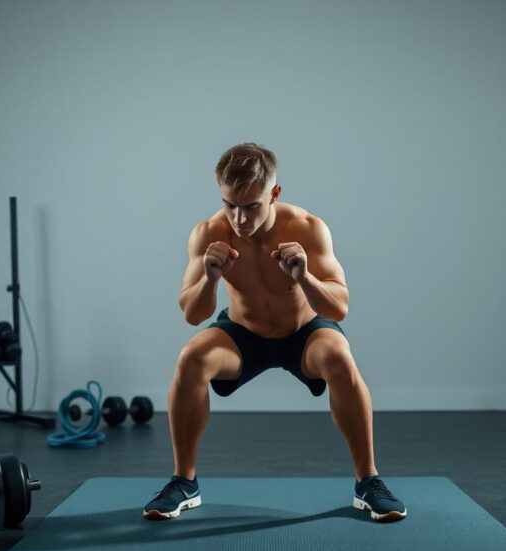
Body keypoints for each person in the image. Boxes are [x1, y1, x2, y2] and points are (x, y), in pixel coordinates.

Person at [143, 143, 406, 522]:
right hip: (242, 335)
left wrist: (305, 277)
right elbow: (192, 313)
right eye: (230, 205)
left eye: (251, 206)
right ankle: (185, 482)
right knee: (191, 357)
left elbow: (339, 307)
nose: (239, 218)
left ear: (274, 194)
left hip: (303, 333)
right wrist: (210, 278)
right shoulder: (208, 234)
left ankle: (369, 482)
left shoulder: (307, 228)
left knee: (338, 356)